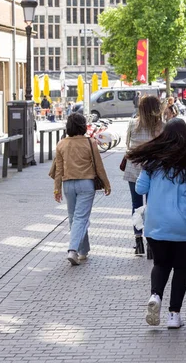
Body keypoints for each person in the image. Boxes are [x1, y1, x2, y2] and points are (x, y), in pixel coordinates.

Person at [127, 118, 186, 329]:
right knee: (181, 268)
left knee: (160, 264)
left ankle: (155, 295)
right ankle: (174, 315)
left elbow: (140, 189)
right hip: (185, 227)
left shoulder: (153, 164)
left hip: (156, 226)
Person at [54, 113, 111, 266]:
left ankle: (83, 251)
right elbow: (99, 166)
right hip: (86, 184)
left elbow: (58, 169)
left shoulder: (62, 144)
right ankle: (73, 250)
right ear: (83, 126)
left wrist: (56, 189)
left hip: (67, 185)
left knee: (75, 218)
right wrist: (106, 183)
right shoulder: (90, 142)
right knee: (80, 218)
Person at [124, 96, 164, 256]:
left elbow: (127, 144)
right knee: (152, 205)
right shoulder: (161, 126)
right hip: (154, 171)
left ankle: (138, 240)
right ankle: (151, 242)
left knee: (136, 204)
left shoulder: (133, 124)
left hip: (133, 170)